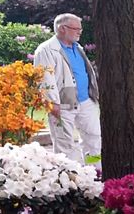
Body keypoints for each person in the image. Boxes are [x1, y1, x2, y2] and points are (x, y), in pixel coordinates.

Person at [33, 13, 101, 165]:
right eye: (76, 28)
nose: (79, 32)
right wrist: (52, 103)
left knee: (93, 139)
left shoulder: (78, 48)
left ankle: (94, 169)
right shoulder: (46, 50)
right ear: (62, 28)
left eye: (80, 29)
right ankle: (73, 176)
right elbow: (44, 78)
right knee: (65, 142)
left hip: (85, 100)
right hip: (62, 102)